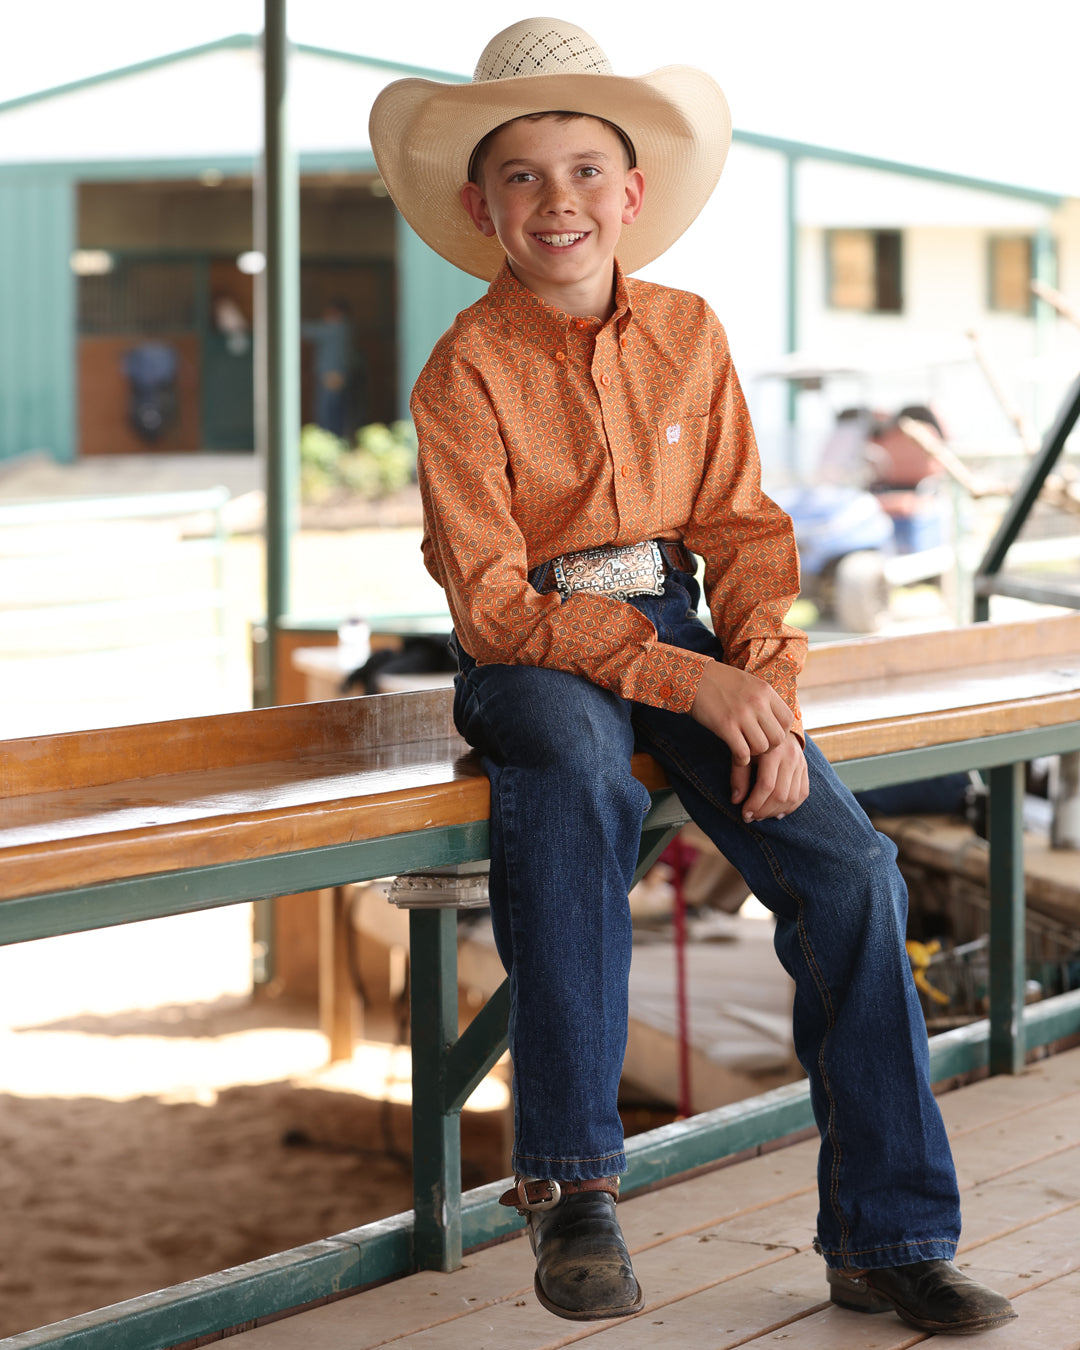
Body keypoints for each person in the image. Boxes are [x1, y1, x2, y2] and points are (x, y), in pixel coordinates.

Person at [369, 17, 1016, 1334]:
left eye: (587, 170)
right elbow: (492, 604)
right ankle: (573, 1178)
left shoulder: (690, 331)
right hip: (533, 648)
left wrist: (761, 686)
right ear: (477, 202)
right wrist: (690, 682)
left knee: (855, 869)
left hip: (686, 632)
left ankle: (886, 1233)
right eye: (526, 176)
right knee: (572, 770)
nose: (561, 201)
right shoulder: (464, 371)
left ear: (634, 191)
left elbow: (742, 533)